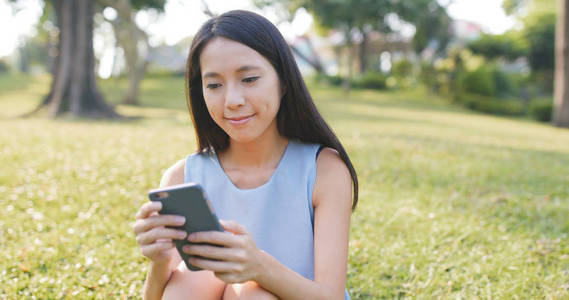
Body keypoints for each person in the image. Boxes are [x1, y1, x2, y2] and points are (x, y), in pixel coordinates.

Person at [133, 10, 359, 300]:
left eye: (249, 79)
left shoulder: (323, 170)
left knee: (255, 295)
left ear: (284, 81)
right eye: (214, 85)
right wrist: (160, 261)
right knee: (195, 278)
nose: (233, 101)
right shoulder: (182, 178)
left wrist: (258, 267)